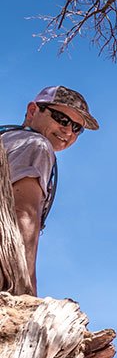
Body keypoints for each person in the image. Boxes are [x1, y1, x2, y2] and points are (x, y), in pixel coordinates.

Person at [1, 86, 99, 293]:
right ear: (32, 110)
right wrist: (25, 290)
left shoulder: (7, 138)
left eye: (77, 128)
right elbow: (24, 216)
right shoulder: (36, 145)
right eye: (62, 119)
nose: (68, 132)